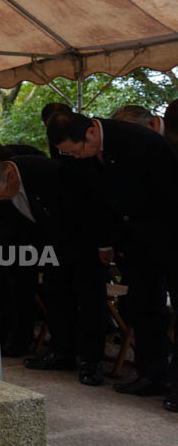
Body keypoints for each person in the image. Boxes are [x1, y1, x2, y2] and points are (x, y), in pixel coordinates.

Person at [46, 112, 178, 410]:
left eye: (76, 150)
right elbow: (103, 199)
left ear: (90, 133)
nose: (76, 157)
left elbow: (165, 192)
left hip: (168, 235)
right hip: (136, 244)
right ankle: (152, 374)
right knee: (143, 308)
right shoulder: (92, 151)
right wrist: (110, 241)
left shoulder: (138, 140)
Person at [0, 157, 106, 384]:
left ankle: (91, 361)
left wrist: (103, 244)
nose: (0, 200)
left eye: (1, 194)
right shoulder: (4, 190)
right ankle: (61, 353)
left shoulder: (49, 173)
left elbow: (86, 208)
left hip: (82, 244)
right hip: (50, 248)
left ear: (11, 175)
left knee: (89, 302)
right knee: (56, 299)